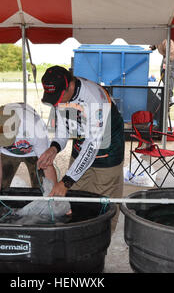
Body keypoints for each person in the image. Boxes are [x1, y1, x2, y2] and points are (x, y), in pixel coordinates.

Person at [37, 65, 125, 231]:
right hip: (81, 150)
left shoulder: (94, 98)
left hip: (107, 154)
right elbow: (62, 132)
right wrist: (53, 148)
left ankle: (99, 247)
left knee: (102, 207)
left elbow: (92, 145)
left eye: (59, 96)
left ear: (70, 85)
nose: (58, 102)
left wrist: (67, 181)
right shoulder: (61, 95)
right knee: (75, 201)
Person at [0, 103, 57, 207]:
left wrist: (56, 202)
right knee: (1, 190)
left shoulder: (35, 127)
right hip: (7, 153)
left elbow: (48, 167)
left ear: (18, 124)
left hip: (34, 152)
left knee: (42, 190)